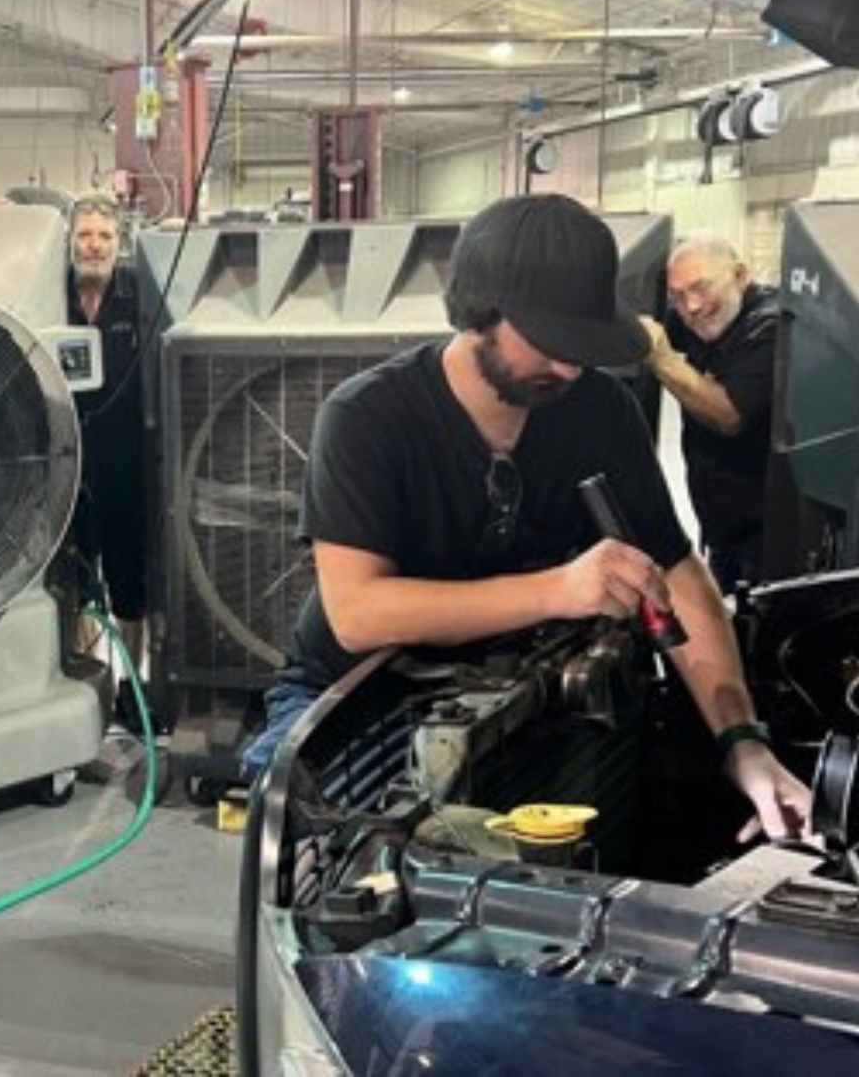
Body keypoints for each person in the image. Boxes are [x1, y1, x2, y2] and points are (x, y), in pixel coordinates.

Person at [244, 193, 810, 843]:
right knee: (325, 865)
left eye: (582, 344)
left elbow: (677, 573)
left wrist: (743, 742)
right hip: (355, 700)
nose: (569, 365)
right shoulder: (367, 418)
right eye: (549, 342)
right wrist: (561, 590)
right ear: (478, 312)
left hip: (518, 700)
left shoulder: (599, 411)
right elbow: (359, 612)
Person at [643, 232, 778, 594]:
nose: (691, 307)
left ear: (740, 275)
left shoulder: (770, 327)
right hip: (723, 528)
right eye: (678, 295)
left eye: (701, 288)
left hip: (769, 533)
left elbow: (728, 415)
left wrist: (663, 361)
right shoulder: (704, 318)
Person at [64, 193, 149, 707]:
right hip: (67, 463)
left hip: (127, 462)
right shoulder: (51, 295)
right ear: (70, 242)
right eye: (84, 236)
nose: (93, 246)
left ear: (120, 244)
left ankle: (132, 688)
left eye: (103, 237)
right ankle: (86, 688)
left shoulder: (139, 294)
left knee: (129, 581)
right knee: (74, 581)